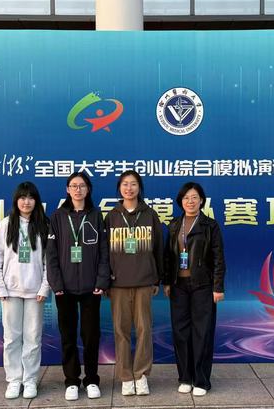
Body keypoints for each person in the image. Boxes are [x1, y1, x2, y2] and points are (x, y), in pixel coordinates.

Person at [45, 172, 110, 401]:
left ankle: (91, 379)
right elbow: (51, 254)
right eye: (73, 186)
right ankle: (72, 381)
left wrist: (101, 281)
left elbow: (104, 251)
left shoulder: (96, 215)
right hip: (65, 289)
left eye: (82, 186)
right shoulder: (57, 216)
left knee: (91, 336)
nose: (78, 189)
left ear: (88, 189)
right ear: (67, 189)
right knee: (68, 336)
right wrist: (56, 284)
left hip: (92, 288)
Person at [0, 181, 50, 400]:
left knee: (33, 338)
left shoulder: (44, 225)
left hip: (35, 293)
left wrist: (45, 287)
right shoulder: (5, 225)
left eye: (31, 198)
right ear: (16, 201)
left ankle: (30, 379)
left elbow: (49, 261)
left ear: (36, 201)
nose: (26, 202)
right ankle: (14, 380)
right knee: (12, 338)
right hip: (10, 292)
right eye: (22, 197)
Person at [163, 182, 225, 396]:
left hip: (203, 286)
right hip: (178, 286)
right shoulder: (174, 225)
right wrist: (167, 282)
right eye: (186, 198)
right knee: (180, 332)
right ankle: (185, 377)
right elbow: (167, 256)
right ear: (180, 201)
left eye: (194, 197)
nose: (190, 201)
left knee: (202, 332)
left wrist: (218, 287)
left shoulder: (210, 225)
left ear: (201, 201)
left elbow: (218, 258)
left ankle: (201, 380)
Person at [105, 170, 163, 396]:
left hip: (144, 282)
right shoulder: (111, 216)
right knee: (121, 331)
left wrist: (157, 278)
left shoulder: (150, 215)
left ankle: (141, 375)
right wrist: (106, 280)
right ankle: (125, 377)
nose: (129, 188)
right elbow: (103, 253)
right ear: (119, 188)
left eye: (133, 184)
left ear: (140, 188)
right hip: (118, 284)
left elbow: (158, 249)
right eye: (125, 184)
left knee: (144, 329)